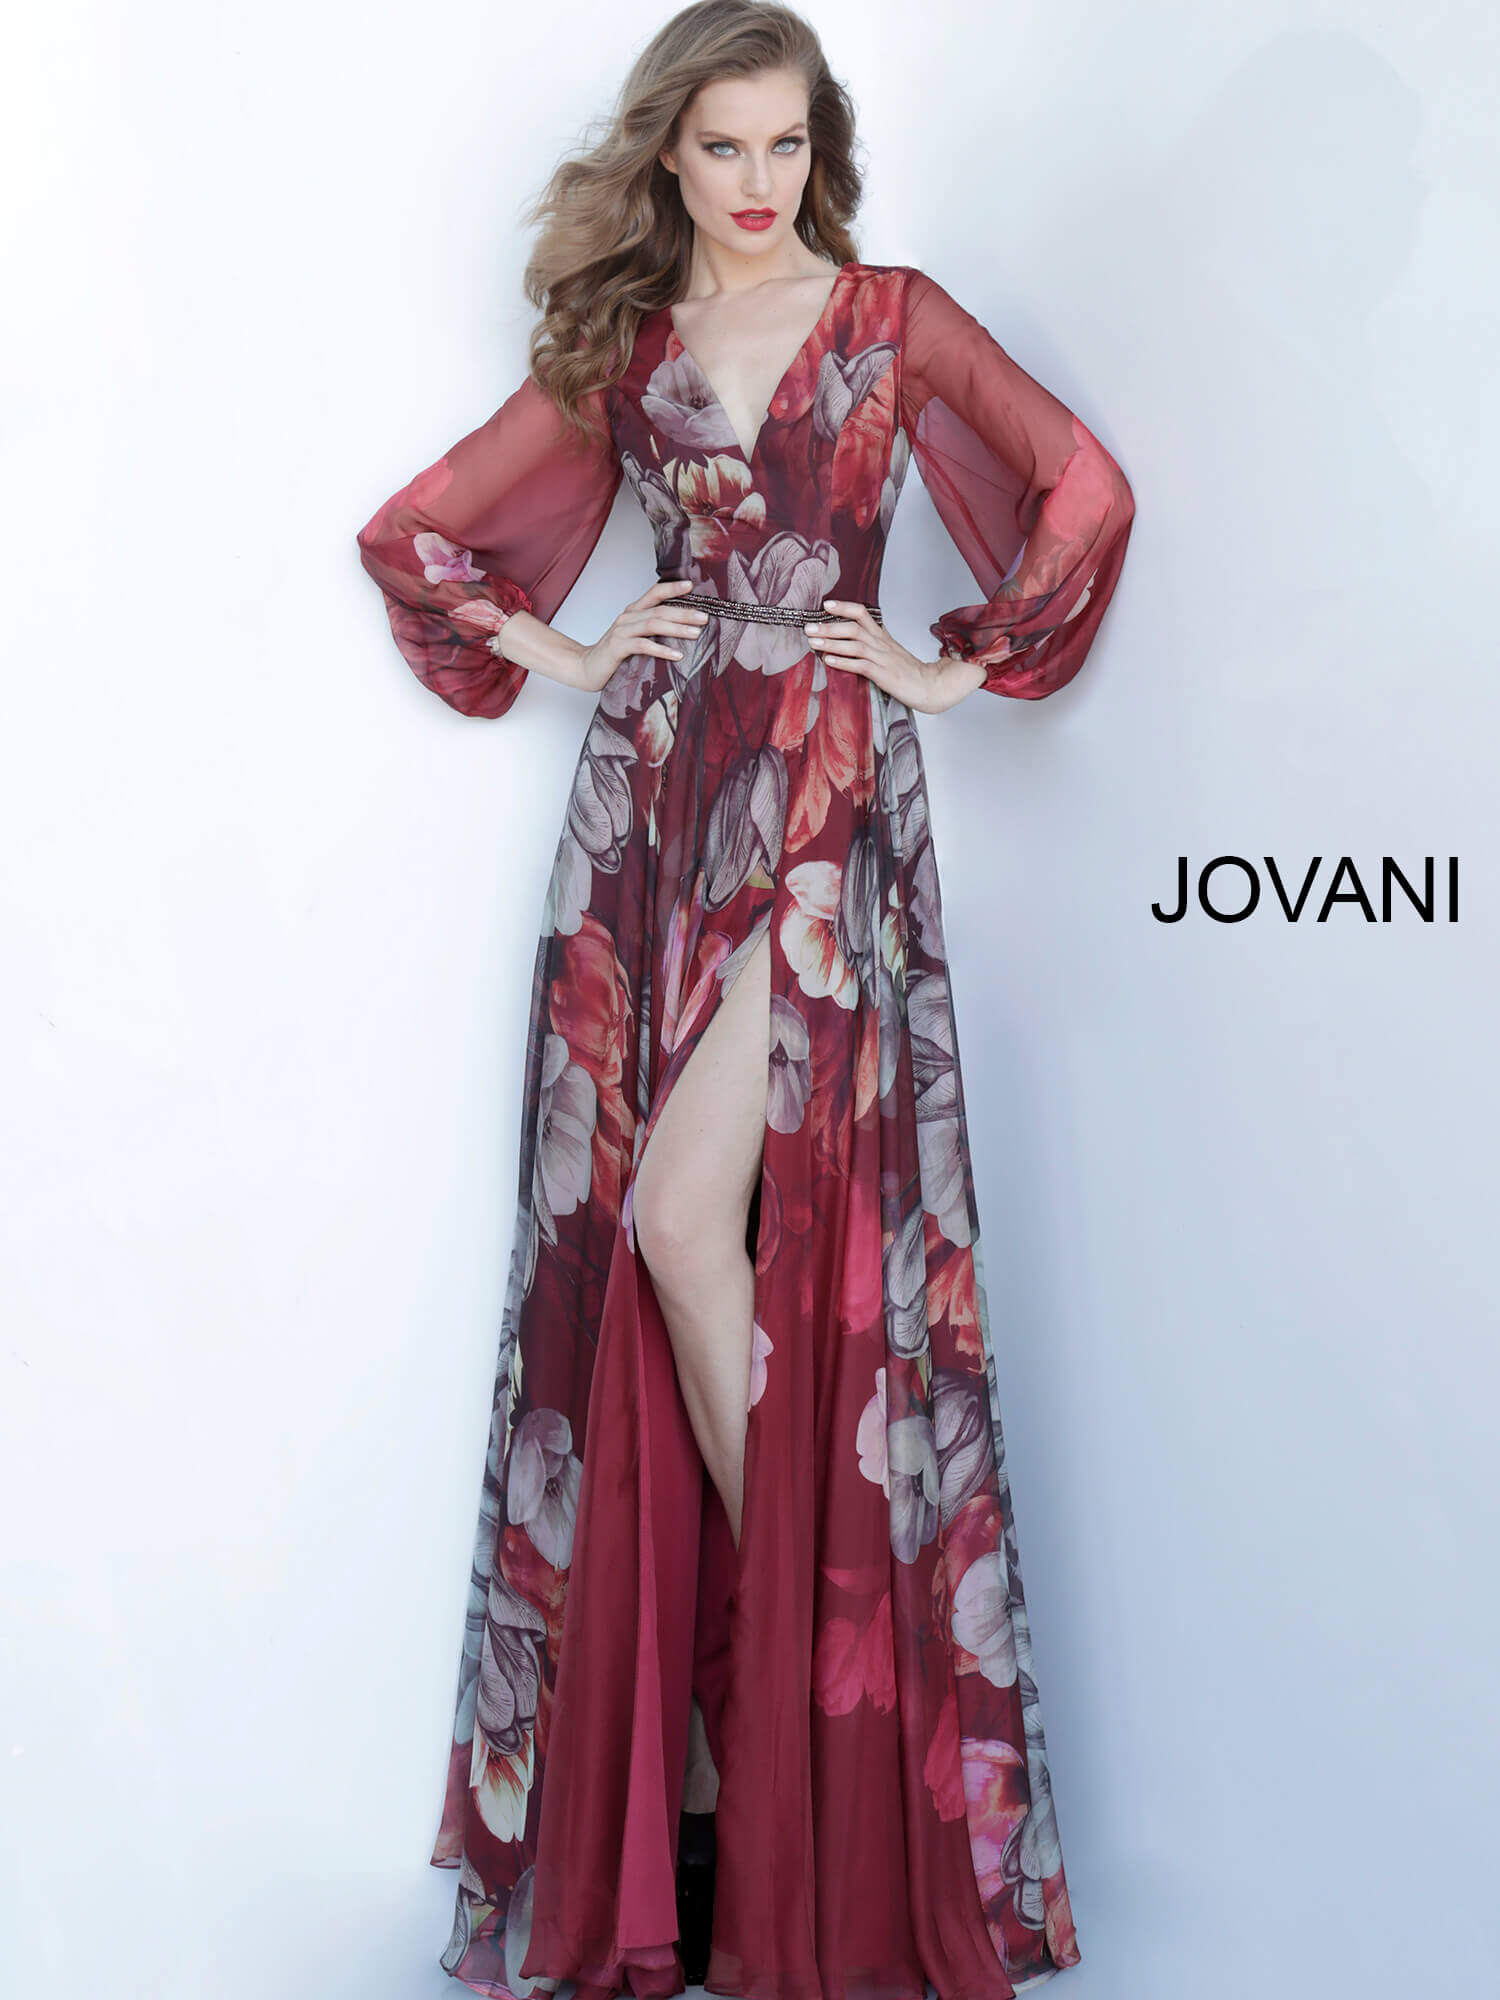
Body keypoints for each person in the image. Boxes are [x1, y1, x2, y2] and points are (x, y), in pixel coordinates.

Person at [354, 4, 1135, 1997]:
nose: (758, 180)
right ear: (671, 157)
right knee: (657, 1248)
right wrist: (566, 644)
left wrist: (954, 664)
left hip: (825, 805)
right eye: (722, 146)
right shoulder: (629, 355)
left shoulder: (891, 321)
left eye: (785, 143)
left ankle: (808, 1633)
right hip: (651, 810)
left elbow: (1083, 487)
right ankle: (770, 1673)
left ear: (820, 149)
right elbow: (413, 533)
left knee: (691, 1225)